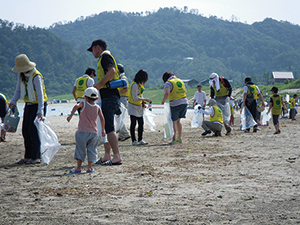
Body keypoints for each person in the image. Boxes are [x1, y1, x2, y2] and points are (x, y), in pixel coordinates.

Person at [87, 39, 122, 166]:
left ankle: (117, 156)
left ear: (97, 47)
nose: (92, 52)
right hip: (108, 97)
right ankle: (107, 155)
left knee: (109, 128)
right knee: (105, 127)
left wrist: (100, 84)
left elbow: (112, 71)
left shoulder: (105, 56)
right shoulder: (103, 58)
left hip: (109, 97)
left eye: (92, 50)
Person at [10, 54, 48, 164]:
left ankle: (36, 157)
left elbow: (40, 95)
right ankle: (27, 156)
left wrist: (40, 110)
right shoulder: (21, 75)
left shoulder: (36, 76)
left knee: (33, 131)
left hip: (38, 105)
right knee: (25, 130)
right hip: (28, 104)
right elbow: (18, 90)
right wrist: (13, 102)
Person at [67, 87, 105, 173]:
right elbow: (102, 119)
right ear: (97, 98)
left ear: (85, 97)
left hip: (82, 132)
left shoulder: (83, 103)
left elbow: (76, 106)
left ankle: (78, 168)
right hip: (93, 133)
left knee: (80, 149)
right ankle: (89, 168)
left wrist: (70, 115)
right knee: (92, 149)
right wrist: (102, 130)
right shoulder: (97, 107)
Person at [161, 71, 188, 145]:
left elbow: (167, 93)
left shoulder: (169, 82)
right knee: (178, 121)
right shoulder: (181, 81)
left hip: (175, 104)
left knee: (174, 122)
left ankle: (173, 139)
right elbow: (185, 92)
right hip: (184, 102)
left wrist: (163, 100)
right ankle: (179, 137)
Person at [128, 69, 151, 146]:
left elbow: (140, 95)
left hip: (139, 106)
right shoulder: (134, 85)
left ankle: (140, 139)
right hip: (132, 106)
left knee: (141, 123)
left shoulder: (140, 85)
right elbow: (135, 97)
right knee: (133, 123)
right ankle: (134, 140)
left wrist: (143, 102)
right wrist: (145, 99)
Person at [117, 64, 131, 141]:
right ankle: (121, 134)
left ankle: (125, 134)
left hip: (123, 99)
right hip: (122, 98)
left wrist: (116, 94)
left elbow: (125, 89)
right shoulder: (121, 77)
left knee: (120, 117)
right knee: (119, 117)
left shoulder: (123, 78)